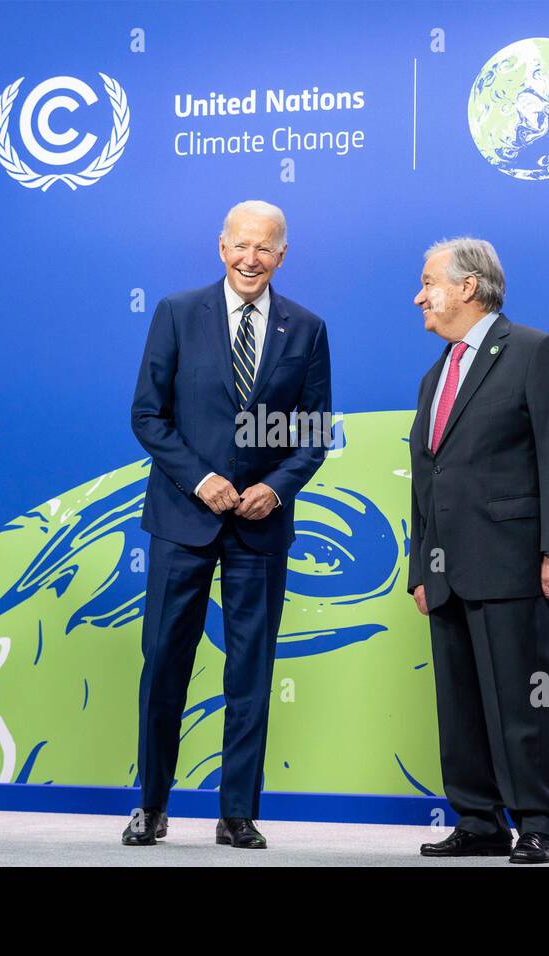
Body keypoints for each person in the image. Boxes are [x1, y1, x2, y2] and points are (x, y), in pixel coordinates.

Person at [125, 200, 332, 849]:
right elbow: (147, 416)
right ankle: (151, 807)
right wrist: (200, 479)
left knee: (250, 671)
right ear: (221, 248)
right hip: (182, 521)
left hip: (259, 531)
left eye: (264, 248)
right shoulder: (176, 314)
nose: (251, 259)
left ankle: (237, 813)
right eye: (241, 246)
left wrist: (274, 488)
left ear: (282, 256)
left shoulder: (308, 329)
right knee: (163, 664)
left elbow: (316, 432)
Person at [407, 237, 549, 863]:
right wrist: (422, 565)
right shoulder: (436, 373)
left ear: (467, 288)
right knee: (459, 705)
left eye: (428, 282)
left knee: (520, 702)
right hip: (447, 569)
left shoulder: (533, 352)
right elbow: (428, 476)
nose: (419, 295)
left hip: (514, 563)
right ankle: (478, 820)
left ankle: (537, 822)